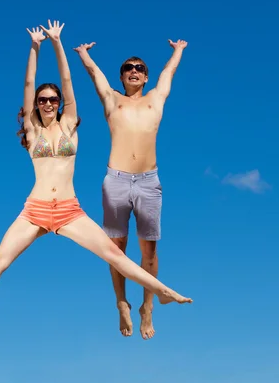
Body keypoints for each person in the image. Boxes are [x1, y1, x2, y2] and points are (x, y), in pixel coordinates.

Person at [0, 21, 192, 329]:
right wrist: (35, 47)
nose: (47, 103)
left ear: (59, 104)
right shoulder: (32, 131)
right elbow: (28, 84)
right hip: (35, 209)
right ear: (36, 105)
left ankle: (161, 291)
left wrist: (57, 42)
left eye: (52, 100)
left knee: (114, 255)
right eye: (42, 100)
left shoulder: (69, 124)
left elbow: (67, 80)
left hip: (69, 210)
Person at [73, 38, 188, 339]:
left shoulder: (155, 99)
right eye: (128, 68)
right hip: (117, 180)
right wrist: (84, 54)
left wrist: (177, 51)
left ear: (146, 76)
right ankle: (121, 301)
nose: (134, 71)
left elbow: (169, 74)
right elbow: (95, 75)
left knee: (149, 249)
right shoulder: (112, 100)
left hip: (149, 181)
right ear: (122, 76)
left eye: (139, 68)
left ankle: (147, 306)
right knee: (116, 249)